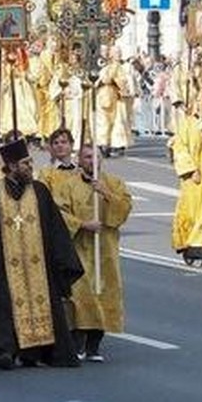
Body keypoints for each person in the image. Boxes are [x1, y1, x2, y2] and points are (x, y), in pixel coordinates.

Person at [0, 138, 83, 370]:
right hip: (4, 265)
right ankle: (5, 350)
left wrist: (63, 261)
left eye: (30, 163)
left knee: (45, 305)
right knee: (4, 305)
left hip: (39, 265)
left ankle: (35, 353)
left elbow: (55, 229)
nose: (30, 167)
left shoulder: (40, 191)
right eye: (25, 163)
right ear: (11, 166)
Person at [60, 144, 132, 362]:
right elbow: (59, 212)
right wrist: (81, 224)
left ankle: (94, 344)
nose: (92, 161)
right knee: (80, 294)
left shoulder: (114, 183)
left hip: (105, 250)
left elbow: (124, 209)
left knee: (103, 294)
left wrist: (106, 193)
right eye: (87, 157)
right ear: (80, 160)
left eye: (95, 157)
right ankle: (77, 340)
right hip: (80, 248)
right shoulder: (69, 185)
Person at [170, 97, 202, 266]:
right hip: (193, 175)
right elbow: (179, 147)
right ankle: (189, 245)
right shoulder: (185, 123)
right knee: (192, 209)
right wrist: (190, 170)